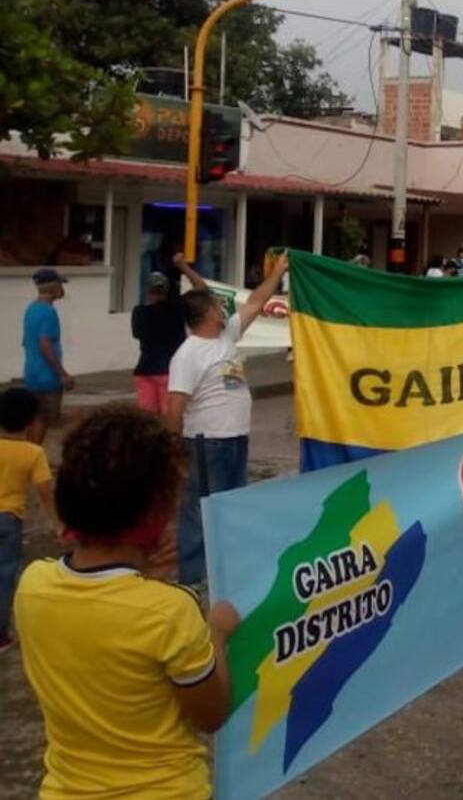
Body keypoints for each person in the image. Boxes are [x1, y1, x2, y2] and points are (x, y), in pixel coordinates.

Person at [14, 405, 239, 796]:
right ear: (158, 510)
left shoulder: (32, 585)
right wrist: (215, 632)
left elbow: (103, 619)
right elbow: (210, 714)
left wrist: (144, 578)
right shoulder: (171, 610)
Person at [167, 252, 290, 587]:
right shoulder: (188, 354)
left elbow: (256, 301)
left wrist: (278, 272)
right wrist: (175, 447)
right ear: (206, 314)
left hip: (235, 437)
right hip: (208, 443)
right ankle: (193, 579)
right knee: (201, 509)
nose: (224, 308)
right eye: (217, 306)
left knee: (230, 506)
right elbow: (175, 405)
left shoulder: (227, 335)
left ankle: (224, 572)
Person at [0, 388, 55, 652]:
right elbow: (45, 493)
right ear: (32, 421)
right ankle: (1, 635)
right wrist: (58, 524)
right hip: (9, 519)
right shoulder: (33, 453)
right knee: (4, 576)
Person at [131, 254, 207, 416]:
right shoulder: (176, 308)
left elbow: (137, 335)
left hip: (145, 369)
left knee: (147, 420)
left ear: (148, 290)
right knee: (171, 417)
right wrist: (182, 266)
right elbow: (202, 289)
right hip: (171, 370)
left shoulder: (139, 312)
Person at [22, 268, 74, 445]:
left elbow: (25, 341)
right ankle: (33, 456)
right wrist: (62, 374)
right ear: (54, 287)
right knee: (43, 419)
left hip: (31, 373)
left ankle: (29, 452)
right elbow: (45, 344)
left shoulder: (31, 309)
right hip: (47, 377)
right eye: (60, 284)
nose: (62, 288)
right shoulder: (48, 312)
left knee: (33, 417)